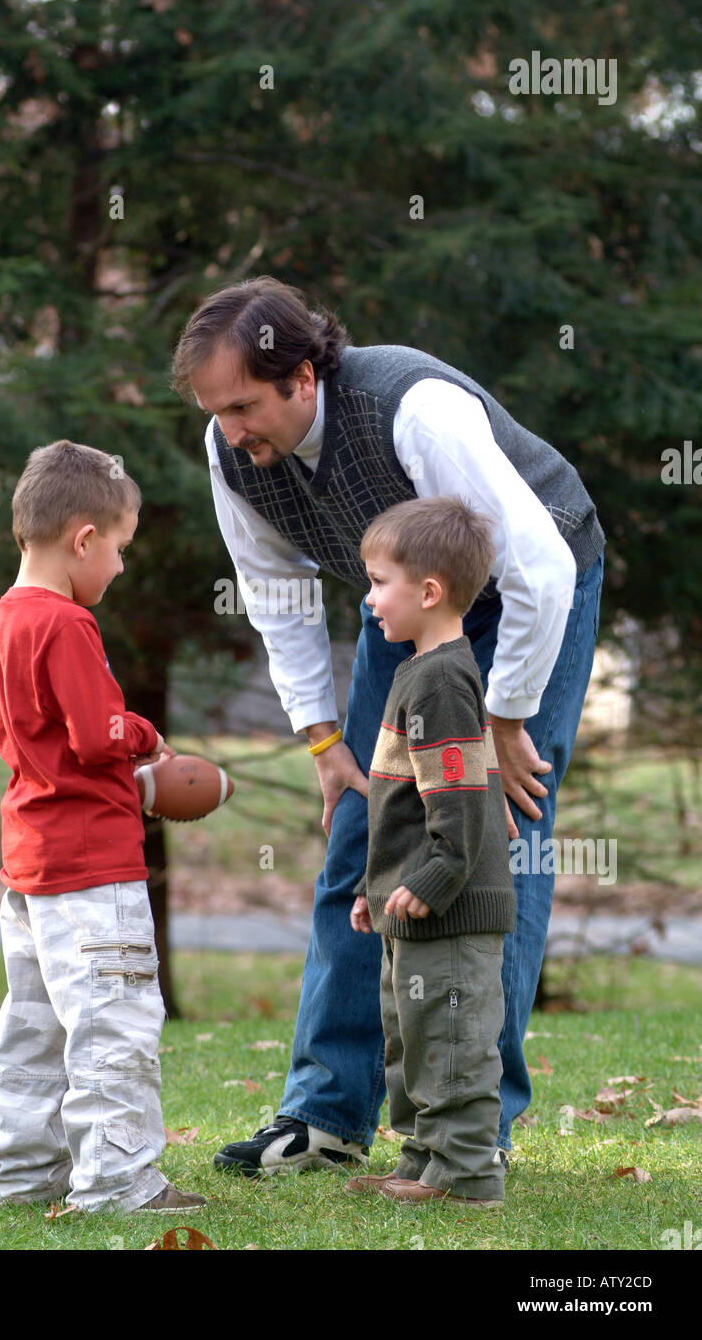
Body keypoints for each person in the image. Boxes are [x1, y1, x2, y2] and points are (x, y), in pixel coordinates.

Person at [171, 276, 604, 1175]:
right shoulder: (229, 449)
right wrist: (325, 744)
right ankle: (326, 1119)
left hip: (532, 593)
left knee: (491, 836)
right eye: (217, 412)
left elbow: (541, 569)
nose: (230, 432)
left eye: (244, 406)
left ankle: (471, 1126)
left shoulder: (415, 410)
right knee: (361, 834)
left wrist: (504, 717)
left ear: (299, 374)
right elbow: (278, 595)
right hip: (402, 607)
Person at [0, 438, 204, 1214]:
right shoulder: (66, 623)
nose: (120, 566)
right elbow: (94, 735)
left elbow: (48, 742)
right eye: (119, 549)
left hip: (31, 867)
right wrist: (143, 734)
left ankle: (21, 1175)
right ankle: (117, 1182)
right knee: (114, 1024)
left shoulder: (7, 617)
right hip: (92, 872)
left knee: (33, 1033)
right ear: (83, 539)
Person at [347, 496, 514, 1208]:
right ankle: (423, 1158)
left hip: (446, 907)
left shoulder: (442, 678)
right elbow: (400, 807)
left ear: (429, 591)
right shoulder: (419, 671)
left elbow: (460, 805)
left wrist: (435, 874)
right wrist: (375, 888)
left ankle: (467, 1174)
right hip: (411, 904)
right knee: (414, 1037)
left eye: (380, 581)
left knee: (450, 1037)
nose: (369, 597)